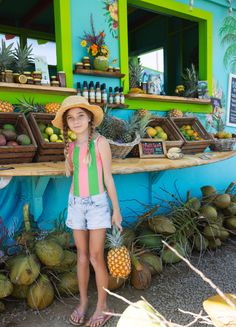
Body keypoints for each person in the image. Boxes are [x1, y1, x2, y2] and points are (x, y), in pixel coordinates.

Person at [52, 95, 122, 327]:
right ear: (66, 124)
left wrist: (116, 210)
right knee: (81, 257)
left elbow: (108, 179)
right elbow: (76, 174)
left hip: (97, 205)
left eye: (80, 115)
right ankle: (83, 302)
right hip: (75, 203)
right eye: (70, 118)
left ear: (90, 117)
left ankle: (103, 305)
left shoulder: (100, 143)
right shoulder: (70, 147)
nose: (76, 121)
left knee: (95, 256)